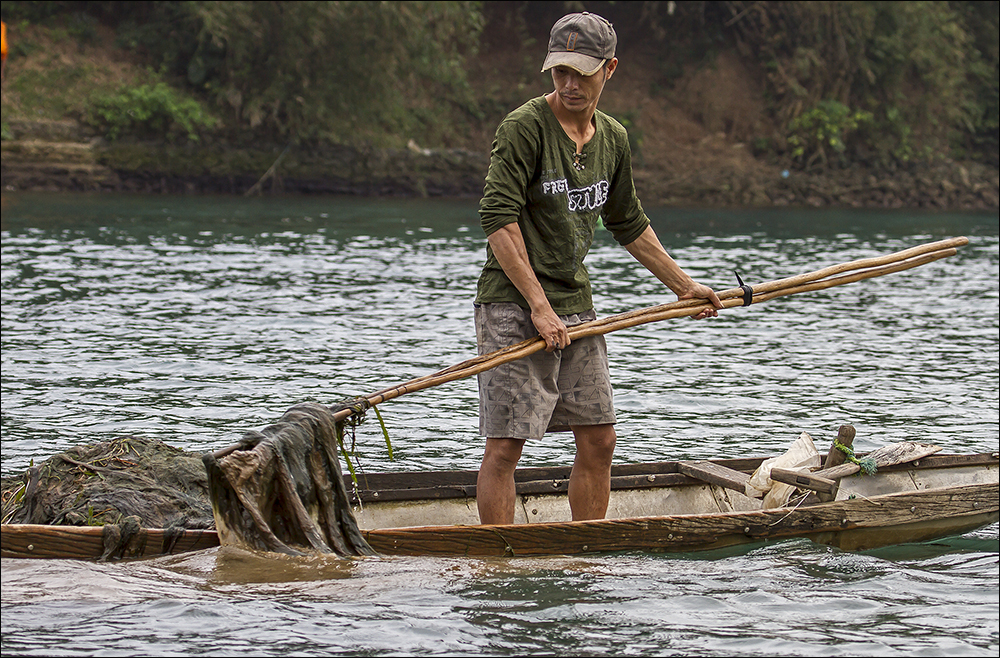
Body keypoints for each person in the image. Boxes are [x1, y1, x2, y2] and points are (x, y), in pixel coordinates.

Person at [474, 12, 723, 525]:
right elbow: (498, 219)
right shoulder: (524, 128)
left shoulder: (613, 138)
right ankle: (496, 561)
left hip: (575, 305)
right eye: (559, 71)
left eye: (581, 73)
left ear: (609, 70)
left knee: (599, 438)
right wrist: (538, 308)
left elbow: (627, 222)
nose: (568, 84)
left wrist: (685, 288)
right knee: (506, 446)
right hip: (514, 303)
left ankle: (586, 546)